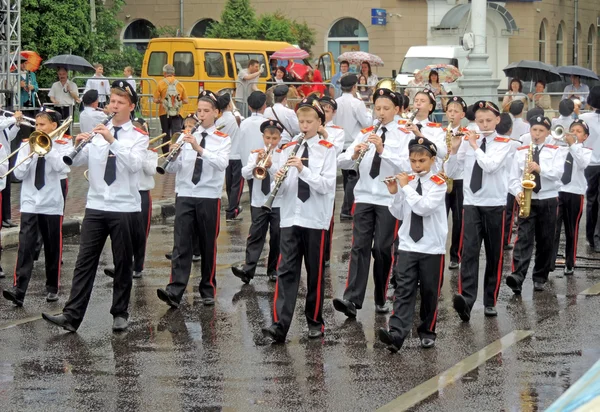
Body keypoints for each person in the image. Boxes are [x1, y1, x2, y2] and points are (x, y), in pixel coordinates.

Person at [42, 80, 148, 332]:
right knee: (84, 262)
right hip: (96, 205)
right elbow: (77, 163)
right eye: (112, 100)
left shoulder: (138, 136)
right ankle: (72, 315)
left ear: (131, 106)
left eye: (120, 102)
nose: (114, 105)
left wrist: (112, 140)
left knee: (123, 263)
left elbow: (135, 165)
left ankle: (120, 313)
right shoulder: (99, 132)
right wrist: (77, 146)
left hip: (124, 207)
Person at [262, 98, 336, 343]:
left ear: (319, 122)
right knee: (286, 272)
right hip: (290, 217)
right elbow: (281, 189)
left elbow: (326, 185)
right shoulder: (287, 148)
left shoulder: (327, 149)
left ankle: (315, 322)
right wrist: (278, 178)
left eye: (309, 121)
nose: (304, 125)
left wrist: (303, 170)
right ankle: (279, 325)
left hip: (315, 218)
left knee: (314, 273)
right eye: (301, 121)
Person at [334, 88, 407, 317]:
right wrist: (354, 154)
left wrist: (382, 150)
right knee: (359, 247)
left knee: (382, 248)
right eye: (377, 108)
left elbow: (406, 165)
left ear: (396, 110)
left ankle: (380, 296)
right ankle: (352, 299)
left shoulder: (405, 134)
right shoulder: (365, 132)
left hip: (388, 198)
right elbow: (342, 161)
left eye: (386, 108)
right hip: (364, 196)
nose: (381, 112)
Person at [156, 90, 231, 309]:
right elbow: (176, 168)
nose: (201, 115)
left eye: (206, 111)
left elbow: (221, 164)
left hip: (208, 195)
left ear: (216, 113)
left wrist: (199, 149)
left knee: (208, 244)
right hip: (186, 194)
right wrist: (172, 156)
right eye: (199, 111)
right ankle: (175, 290)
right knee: (181, 243)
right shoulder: (184, 135)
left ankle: (207, 288)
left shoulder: (222, 139)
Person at [377, 137, 447, 353]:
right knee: (404, 290)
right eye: (413, 161)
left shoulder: (438, 183)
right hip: (407, 244)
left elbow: (423, 208)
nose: (416, 166)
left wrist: (405, 187)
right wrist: (395, 192)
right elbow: (399, 213)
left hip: (431, 246)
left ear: (432, 160)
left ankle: (427, 332)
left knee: (429, 291)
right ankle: (396, 334)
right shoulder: (407, 181)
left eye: (422, 161)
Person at [445, 101, 511, 321]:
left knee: (494, 253)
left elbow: (490, 165)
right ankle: (466, 300)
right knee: (469, 251)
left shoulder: (504, 143)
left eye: (488, 121)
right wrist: (454, 150)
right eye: (480, 121)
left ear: (497, 120)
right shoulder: (468, 140)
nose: (483, 125)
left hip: (494, 203)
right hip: (471, 202)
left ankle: (490, 300)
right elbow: (452, 171)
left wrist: (474, 146)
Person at [2, 109, 69, 306]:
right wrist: (31, 155)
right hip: (30, 202)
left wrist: (47, 151)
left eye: (42, 125)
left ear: (53, 127)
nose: (38, 128)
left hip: (51, 203)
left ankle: (52, 287)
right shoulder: (26, 144)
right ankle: (19, 290)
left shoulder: (63, 144)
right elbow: (19, 174)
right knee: (25, 247)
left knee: (52, 247)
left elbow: (63, 168)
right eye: (37, 125)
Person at [506, 116, 566, 294]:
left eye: (541, 131)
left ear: (548, 133)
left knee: (546, 239)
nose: (537, 134)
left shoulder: (555, 151)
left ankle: (540, 276)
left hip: (548, 198)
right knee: (523, 238)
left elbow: (558, 175)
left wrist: (540, 169)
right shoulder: (521, 151)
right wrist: (517, 192)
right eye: (534, 130)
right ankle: (517, 276)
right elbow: (512, 178)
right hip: (527, 198)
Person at [231, 119, 283, 283]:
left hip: (278, 202)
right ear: (263, 137)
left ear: (279, 139)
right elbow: (245, 173)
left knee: (277, 236)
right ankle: (248, 270)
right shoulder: (255, 153)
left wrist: (271, 165)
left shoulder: (284, 154)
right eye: (268, 138)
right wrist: (256, 163)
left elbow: (282, 175)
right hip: (259, 201)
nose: (270, 142)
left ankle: (273, 269)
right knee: (255, 235)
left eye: (274, 139)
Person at [105, 117, 157, 280]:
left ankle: (138, 266)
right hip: (125, 193)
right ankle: (121, 265)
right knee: (122, 233)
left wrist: (139, 155)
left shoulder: (151, 152)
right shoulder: (120, 148)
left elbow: (151, 171)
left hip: (142, 193)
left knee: (140, 233)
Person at [551, 120, 591, 275]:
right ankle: (550, 261)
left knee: (571, 229)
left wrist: (572, 145)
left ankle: (570, 262)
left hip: (575, 192)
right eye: (572, 129)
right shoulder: (560, 149)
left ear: (585, 136)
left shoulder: (585, 151)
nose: (574, 133)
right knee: (553, 227)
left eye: (579, 131)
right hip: (558, 190)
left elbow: (582, 164)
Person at [334, 74, 372, 220]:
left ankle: (348, 206)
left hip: (341, 143)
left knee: (347, 178)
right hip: (354, 144)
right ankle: (348, 208)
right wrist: (368, 112)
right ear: (354, 87)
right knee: (353, 178)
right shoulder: (357, 103)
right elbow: (367, 124)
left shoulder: (336, 102)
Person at [318, 96, 345, 266]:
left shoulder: (337, 131)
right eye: (321, 110)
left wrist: (325, 134)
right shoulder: (309, 126)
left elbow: (335, 152)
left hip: (326, 177)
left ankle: (325, 254)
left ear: (333, 113)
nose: (324, 113)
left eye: (327, 111)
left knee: (327, 215)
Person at [444, 96, 468, 269]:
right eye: (450, 111)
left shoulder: (466, 134)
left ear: (462, 114)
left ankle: (455, 255)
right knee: (439, 217)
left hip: (459, 180)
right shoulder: (439, 132)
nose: (452, 114)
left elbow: (462, 159)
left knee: (459, 219)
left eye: (456, 111)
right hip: (441, 179)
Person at [580, 86, 600, 250]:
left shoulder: (583, 117)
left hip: (589, 163)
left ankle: (590, 236)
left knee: (591, 200)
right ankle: (598, 236)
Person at [218, 93, 243, 221]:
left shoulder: (219, 121)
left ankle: (232, 208)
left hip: (226, 156)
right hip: (238, 155)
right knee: (237, 185)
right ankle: (232, 210)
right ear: (229, 104)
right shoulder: (236, 118)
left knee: (229, 184)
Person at [497, 113, 521, 251]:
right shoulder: (515, 144)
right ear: (510, 129)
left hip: (496, 183)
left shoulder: (492, 142)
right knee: (509, 214)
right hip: (510, 184)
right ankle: (505, 240)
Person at [153, 64, 188, 154]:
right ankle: (177, 152)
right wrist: (177, 103)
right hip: (178, 113)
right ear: (174, 73)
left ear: (164, 73)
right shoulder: (180, 84)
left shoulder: (160, 83)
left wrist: (163, 101)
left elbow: (155, 100)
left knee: (165, 133)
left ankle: (165, 154)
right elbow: (186, 100)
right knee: (176, 134)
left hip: (164, 113)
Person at [238, 91, 269, 188]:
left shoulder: (244, 123)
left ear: (249, 107)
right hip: (264, 165)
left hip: (248, 165)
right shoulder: (267, 123)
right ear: (264, 106)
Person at [0, 111, 23, 229]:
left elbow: (9, 137)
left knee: (6, 190)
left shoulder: (2, 118)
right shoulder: (3, 121)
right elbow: (1, 125)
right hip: (0, 160)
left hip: (5, 158)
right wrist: (14, 118)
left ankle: (6, 217)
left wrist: (17, 124)